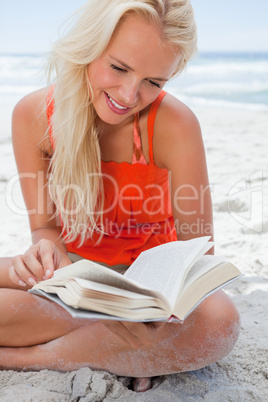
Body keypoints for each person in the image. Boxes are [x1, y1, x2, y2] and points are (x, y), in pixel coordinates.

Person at [0, 0, 240, 393]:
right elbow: (44, 228)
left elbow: (199, 254)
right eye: (119, 67)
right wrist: (44, 249)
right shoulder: (32, 115)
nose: (130, 95)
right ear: (89, 46)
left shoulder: (174, 125)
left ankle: (27, 358)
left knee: (220, 321)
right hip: (72, 278)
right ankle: (110, 348)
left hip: (146, 291)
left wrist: (155, 315)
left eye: (155, 82)